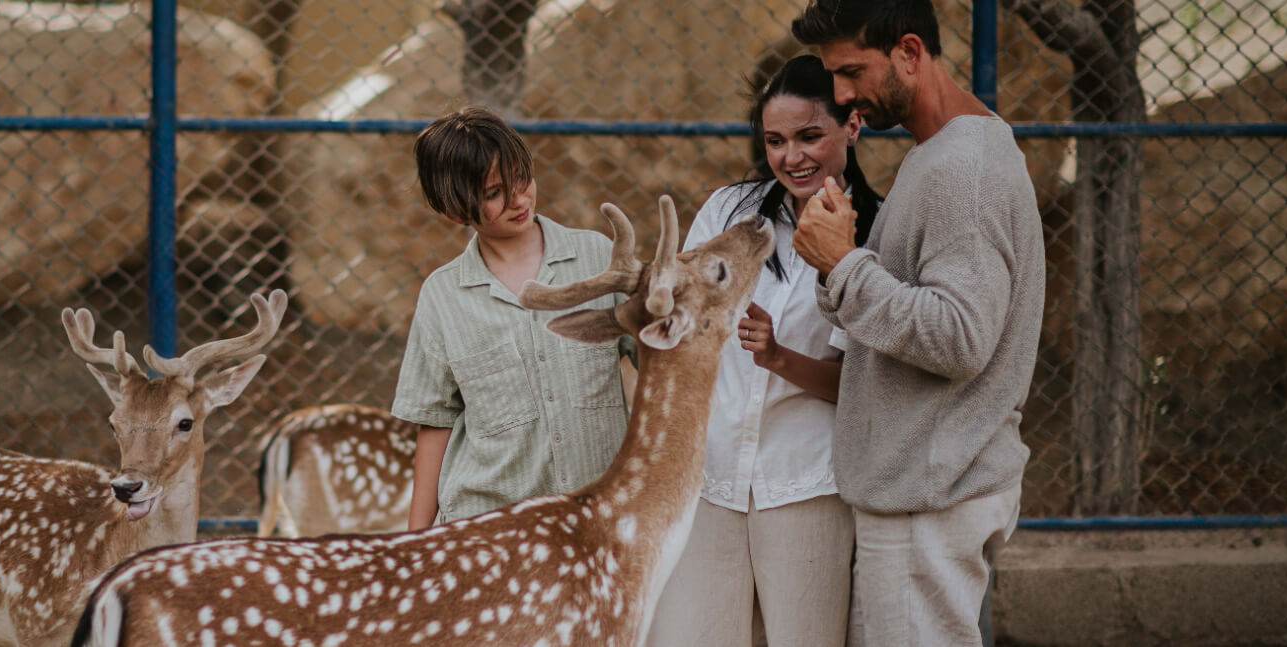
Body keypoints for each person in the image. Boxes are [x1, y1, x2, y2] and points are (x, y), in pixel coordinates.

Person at [789, 1, 1045, 645]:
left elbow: (960, 337)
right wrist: (836, 267)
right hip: (920, 486)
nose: (841, 93)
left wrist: (845, 265)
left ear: (910, 52)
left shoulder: (963, 170)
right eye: (832, 74)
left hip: (930, 492)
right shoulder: (938, 154)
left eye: (852, 70)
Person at [644, 54, 882, 647]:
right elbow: (677, 319)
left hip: (804, 484)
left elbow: (857, 385)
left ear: (850, 127)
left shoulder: (876, 232)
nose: (791, 157)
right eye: (775, 140)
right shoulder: (730, 212)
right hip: (713, 480)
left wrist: (779, 357)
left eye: (809, 136)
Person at [391, 105, 632, 529]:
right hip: (493, 533)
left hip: (600, 518)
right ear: (454, 211)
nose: (519, 199)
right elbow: (436, 422)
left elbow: (660, 355)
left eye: (522, 178)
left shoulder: (598, 256)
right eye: (493, 193)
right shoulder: (443, 296)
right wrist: (415, 543)